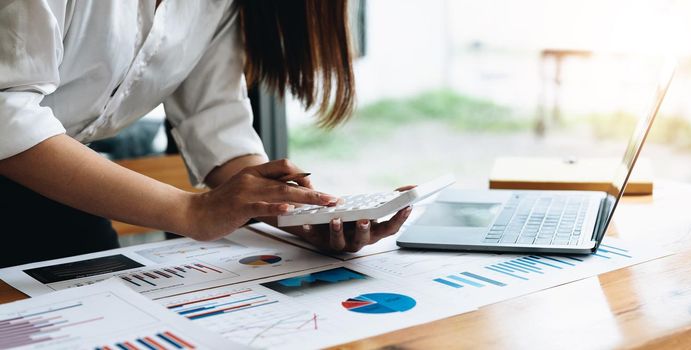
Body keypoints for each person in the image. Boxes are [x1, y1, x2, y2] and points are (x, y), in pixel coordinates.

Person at [0, 0, 412, 268]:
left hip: (53, 189)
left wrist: (297, 215)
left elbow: (215, 119)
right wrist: (191, 211)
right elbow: (7, 110)